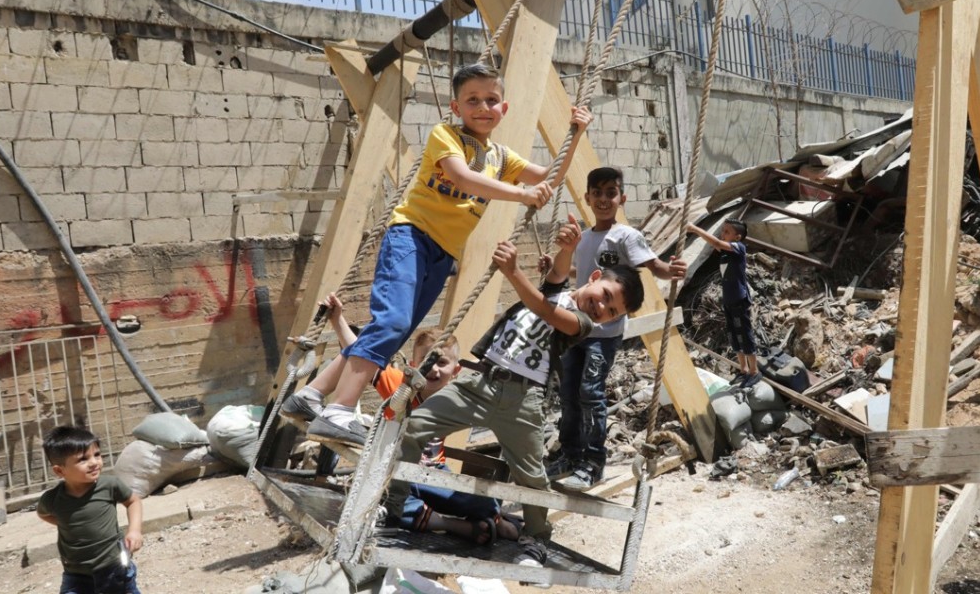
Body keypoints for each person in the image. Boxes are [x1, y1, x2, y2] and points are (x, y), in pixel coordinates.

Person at [284, 62, 593, 445]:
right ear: (455, 107)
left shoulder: (500, 155)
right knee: (392, 322)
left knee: (392, 333)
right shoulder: (444, 135)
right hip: (411, 236)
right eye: (473, 100)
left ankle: (311, 395)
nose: (483, 107)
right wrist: (520, 195)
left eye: (491, 100)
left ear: (504, 108)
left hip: (443, 253)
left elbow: (548, 176)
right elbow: (463, 177)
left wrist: (575, 133)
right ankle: (339, 410)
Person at [383, 238, 644, 569]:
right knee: (413, 426)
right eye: (605, 296)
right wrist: (566, 247)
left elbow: (543, 308)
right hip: (478, 383)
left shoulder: (582, 323)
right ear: (593, 278)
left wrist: (513, 271)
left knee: (532, 475)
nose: (601, 308)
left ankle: (536, 538)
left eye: (612, 312)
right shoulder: (557, 291)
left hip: (522, 400)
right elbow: (557, 276)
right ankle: (395, 504)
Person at [289, 293, 523, 545]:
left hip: (433, 474)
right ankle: (456, 526)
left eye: (442, 362)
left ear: (455, 371)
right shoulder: (401, 387)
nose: (433, 369)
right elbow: (361, 353)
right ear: (413, 365)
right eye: (427, 361)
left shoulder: (458, 399)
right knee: (387, 501)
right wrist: (337, 320)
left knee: (481, 498)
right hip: (397, 471)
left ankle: (491, 519)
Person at [543, 167, 688, 490]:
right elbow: (576, 280)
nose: (604, 199)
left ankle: (593, 463)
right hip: (574, 329)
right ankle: (569, 454)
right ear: (588, 198)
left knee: (590, 393)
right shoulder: (583, 238)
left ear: (621, 198)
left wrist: (671, 270)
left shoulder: (626, 236)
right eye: (598, 193)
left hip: (603, 335)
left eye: (611, 193)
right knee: (568, 395)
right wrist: (551, 269)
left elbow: (653, 266)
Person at [37, 426, 144, 594]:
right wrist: (66, 522)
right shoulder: (52, 499)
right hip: (75, 574)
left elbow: (133, 501)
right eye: (83, 459)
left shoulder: (109, 485)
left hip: (114, 567)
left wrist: (135, 531)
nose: (94, 462)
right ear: (59, 470)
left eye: (97, 455)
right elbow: (43, 513)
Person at [687, 218, 758, 386]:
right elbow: (717, 244)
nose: (723, 234)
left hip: (739, 300)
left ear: (738, 237)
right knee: (733, 335)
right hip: (728, 300)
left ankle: (754, 371)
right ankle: (744, 370)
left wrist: (696, 229)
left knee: (744, 334)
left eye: (727, 232)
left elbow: (717, 242)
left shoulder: (739, 248)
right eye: (723, 230)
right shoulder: (726, 252)